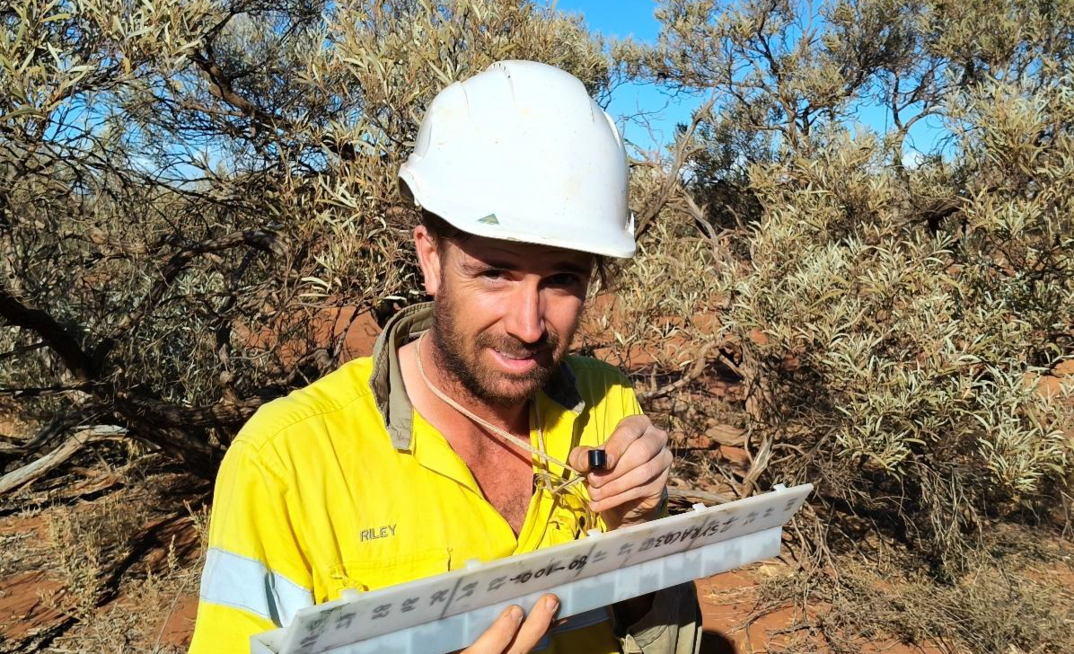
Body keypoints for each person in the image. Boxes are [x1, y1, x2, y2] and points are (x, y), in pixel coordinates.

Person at [189, 60, 701, 654]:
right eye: (494, 273)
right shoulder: (285, 464)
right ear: (430, 258)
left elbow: (664, 641)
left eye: (562, 279)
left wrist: (638, 547)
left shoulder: (606, 403)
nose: (529, 325)